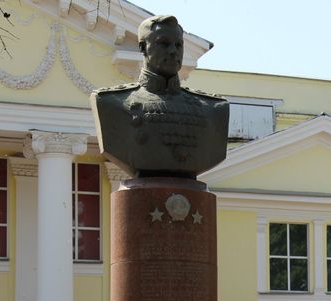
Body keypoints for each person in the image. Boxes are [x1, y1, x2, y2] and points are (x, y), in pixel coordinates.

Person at [90, 14, 229, 179]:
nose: (173, 51)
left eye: (178, 45)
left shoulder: (213, 109)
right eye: (164, 43)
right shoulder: (109, 102)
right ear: (143, 47)